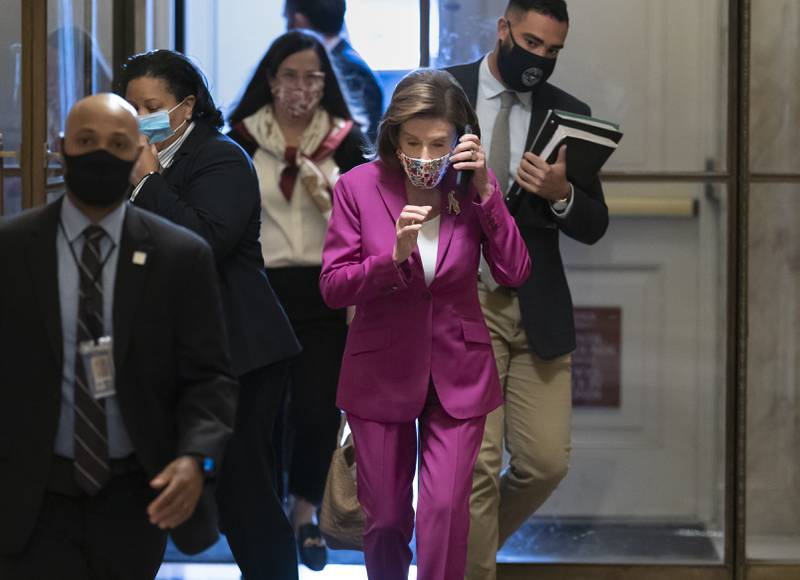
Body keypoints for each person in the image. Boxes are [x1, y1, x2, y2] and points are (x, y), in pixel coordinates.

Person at [0, 93, 236, 579]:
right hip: (30, 492)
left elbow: (210, 378)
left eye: (117, 143)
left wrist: (196, 458)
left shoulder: (179, 257)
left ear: (137, 152)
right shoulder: (11, 250)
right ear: (61, 147)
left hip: (134, 494)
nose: (101, 153)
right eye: (86, 141)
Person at [319, 69, 531, 580]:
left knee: (444, 516)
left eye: (439, 143)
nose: (426, 154)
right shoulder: (357, 187)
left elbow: (514, 271)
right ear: (393, 136)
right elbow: (333, 286)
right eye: (413, 141)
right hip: (381, 371)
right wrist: (391, 260)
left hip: (459, 370)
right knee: (387, 520)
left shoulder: (473, 188)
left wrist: (486, 190)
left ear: (462, 139)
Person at [116, 50, 302, 580]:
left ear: (188, 106)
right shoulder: (130, 160)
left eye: (153, 106)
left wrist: (148, 184)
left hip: (241, 349)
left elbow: (201, 242)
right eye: (132, 106)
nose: (140, 117)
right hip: (171, 355)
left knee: (246, 490)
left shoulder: (221, 158)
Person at [444, 1, 610, 578]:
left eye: (552, 51)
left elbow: (593, 225)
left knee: (544, 463)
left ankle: (458, 548)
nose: (539, 59)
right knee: (478, 468)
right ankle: (468, 565)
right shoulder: (443, 92)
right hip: (465, 306)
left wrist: (562, 194)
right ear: (504, 30)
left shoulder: (571, 114)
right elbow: (394, 183)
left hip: (537, 310)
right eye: (531, 43)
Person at [227, 29, 367, 572]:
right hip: (260, 291)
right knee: (261, 416)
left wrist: (329, 196)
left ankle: (304, 509)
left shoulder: (346, 141)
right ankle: (260, 515)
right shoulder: (238, 141)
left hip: (324, 294)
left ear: (326, 83)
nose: (301, 89)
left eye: (313, 78)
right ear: (270, 79)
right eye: (290, 76)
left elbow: (368, 223)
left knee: (315, 412)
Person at [285, 0, 384, 145]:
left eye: (287, 19)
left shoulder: (349, 71)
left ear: (298, 21)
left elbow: (363, 144)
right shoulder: (347, 64)